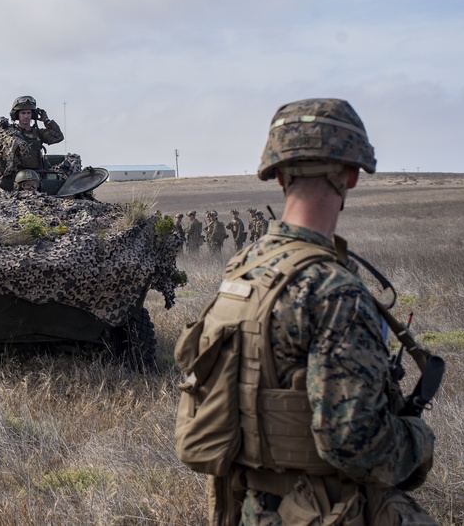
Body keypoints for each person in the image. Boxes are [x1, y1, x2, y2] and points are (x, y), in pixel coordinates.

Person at [175, 98, 436, 525]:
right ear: (351, 175)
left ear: (278, 175)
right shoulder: (335, 292)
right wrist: (418, 440)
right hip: (322, 511)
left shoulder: (243, 270)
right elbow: (355, 444)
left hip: (248, 509)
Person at [0, 95, 64, 190]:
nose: (26, 116)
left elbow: (58, 137)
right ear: (16, 115)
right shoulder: (9, 134)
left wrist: (46, 120)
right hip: (14, 179)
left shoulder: (38, 133)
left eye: (29, 113)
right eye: (23, 113)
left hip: (36, 178)